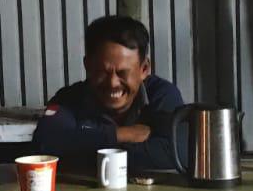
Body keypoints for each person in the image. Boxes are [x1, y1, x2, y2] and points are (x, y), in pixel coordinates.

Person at [32, 15, 186, 172]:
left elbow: (178, 153)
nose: (113, 83)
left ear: (144, 69)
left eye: (123, 73)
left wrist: (82, 146)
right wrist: (120, 135)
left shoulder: (162, 95)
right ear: (87, 66)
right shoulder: (68, 99)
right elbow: (44, 146)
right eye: (102, 72)